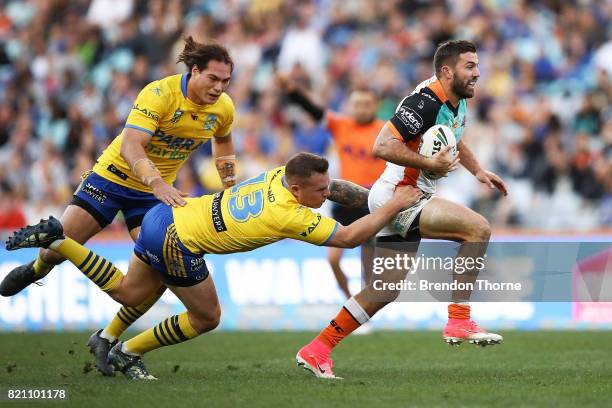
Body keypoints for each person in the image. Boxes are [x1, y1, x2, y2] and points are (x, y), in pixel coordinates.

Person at [5, 152, 422, 380]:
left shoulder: (280, 175)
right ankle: (122, 342)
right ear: (297, 189)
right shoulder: (288, 214)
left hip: (167, 215)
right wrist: (398, 204)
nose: (326, 194)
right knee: (200, 315)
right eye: (319, 191)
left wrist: (374, 198)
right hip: (179, 240)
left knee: (148, 290)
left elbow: (336, 189)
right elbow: (349, 238)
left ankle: (109, 339)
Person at [0, 36, 238, 376]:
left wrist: (229, 181)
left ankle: (107, 336)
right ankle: (35, 270)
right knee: (54, 254)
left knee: (159, 272)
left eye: (225, 81)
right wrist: (157, 182)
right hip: (111, 180)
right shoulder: (159, 94)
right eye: (213, 79)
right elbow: (130, 145)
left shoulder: (223, 108)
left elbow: (224, 139)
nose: (219, 88)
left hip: (151, 198)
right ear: (194, 70)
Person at [296, 40, 509, 379]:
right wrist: (427, 163)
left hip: (403, 198)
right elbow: (382, 145)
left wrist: (478, 170)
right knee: (478, 228)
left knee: (384, 290)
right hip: (403, 197)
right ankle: (458, 319)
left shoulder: (456, 102)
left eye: (477, 65)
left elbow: (454, 137)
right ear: (447, 71)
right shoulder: (424, 102)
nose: (477, 73)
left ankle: (318, 348)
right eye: (470, 66)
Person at [281, 78, 386, 298]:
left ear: (376, 105)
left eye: (366, 104)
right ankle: (350, 300)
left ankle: (361, 312)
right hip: (345, 200)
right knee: (333, 259)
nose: (361, 108)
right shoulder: (341, 126)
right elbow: (313, 110)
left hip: (372, 201)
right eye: (357, 104)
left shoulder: (385, 131)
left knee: (369, 265)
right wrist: (292, 88)